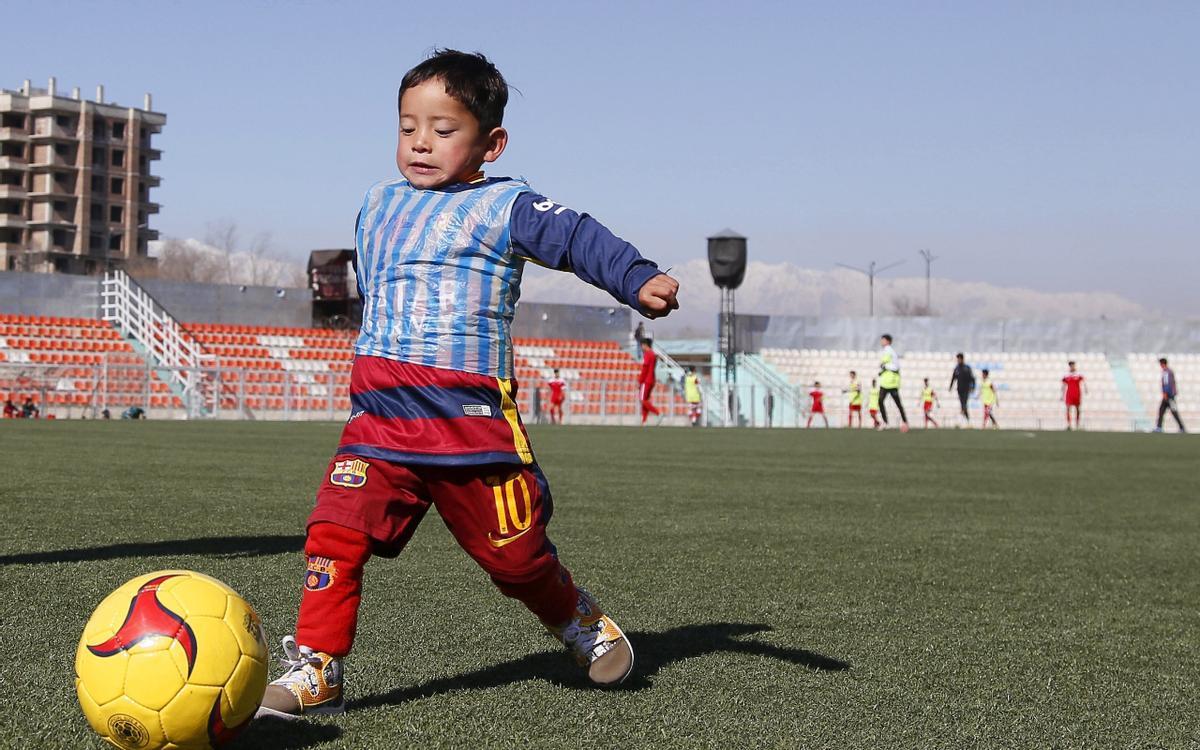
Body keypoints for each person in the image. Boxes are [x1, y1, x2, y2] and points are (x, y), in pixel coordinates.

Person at [258, 50, 681, 719]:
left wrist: (634, 276)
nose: (421, 141)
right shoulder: (376, 203)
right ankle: (318, 667)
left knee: (514, 560)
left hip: (467, 426)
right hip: (380, 422)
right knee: (332, 531)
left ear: (491, 143)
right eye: (407, 127)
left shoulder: (505, 205)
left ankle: (573, 616)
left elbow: (575, 237)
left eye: (443, 129)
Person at [877, 334, 908, 432]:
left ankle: (905, 421)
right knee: (880, 401)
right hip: (885, 382)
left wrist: (885, 367)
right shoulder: (885, 351)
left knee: (898, 403)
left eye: (883, 340)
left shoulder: (891, 352)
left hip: (892, 382)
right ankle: (885, 422)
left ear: (888, 341)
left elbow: (896, 367)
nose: (881, 341)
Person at [1154, 357, 1185, 433]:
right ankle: (1159, 427)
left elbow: (1167, 384)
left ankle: (1181, 427)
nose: (1160, 365)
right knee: (1162, 411)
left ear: (1162, 364)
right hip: (1170, 395)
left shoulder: (1166, 372)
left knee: (1173, 411)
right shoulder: (1169, 371)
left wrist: (1165, 394)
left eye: (1160, 364)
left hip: (1168, 396)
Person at [638, 338, 662, 425]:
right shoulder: (653, 354)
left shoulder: (648, 354)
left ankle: (658, 413)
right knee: (645, 400)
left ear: (645, 345)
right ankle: (644, 421)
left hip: (646, 380)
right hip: (652, 379)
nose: (641, 347)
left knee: (642, 400)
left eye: (641, 345)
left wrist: (640, 380)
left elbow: (645, 368)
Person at [948, 353, 975, 426]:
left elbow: (972, 379)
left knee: (964, 404)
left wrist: (973, 387)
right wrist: (950, 387)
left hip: (966, 389)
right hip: (959, 390)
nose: (958, 360)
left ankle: (961, 420)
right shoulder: (957, 368)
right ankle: (968, 421)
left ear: (962, 359)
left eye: (959, 359)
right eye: (957, 359)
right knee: (963, 405)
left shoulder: (967, 368)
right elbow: (953, 378)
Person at [1061, 360, 1086, 430]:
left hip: (1077, 394)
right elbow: (1063, 386)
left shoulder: (1078, 374)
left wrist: (1086, 390)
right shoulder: (1066, 375)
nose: (1072, 366)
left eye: (1073, 365)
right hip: (1069, 394)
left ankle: (1077, 424)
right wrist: (1062, 395)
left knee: (1078, 409)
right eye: (1070, 365)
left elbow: (1084, 383)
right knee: (1068, 409)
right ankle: (1069, 425)